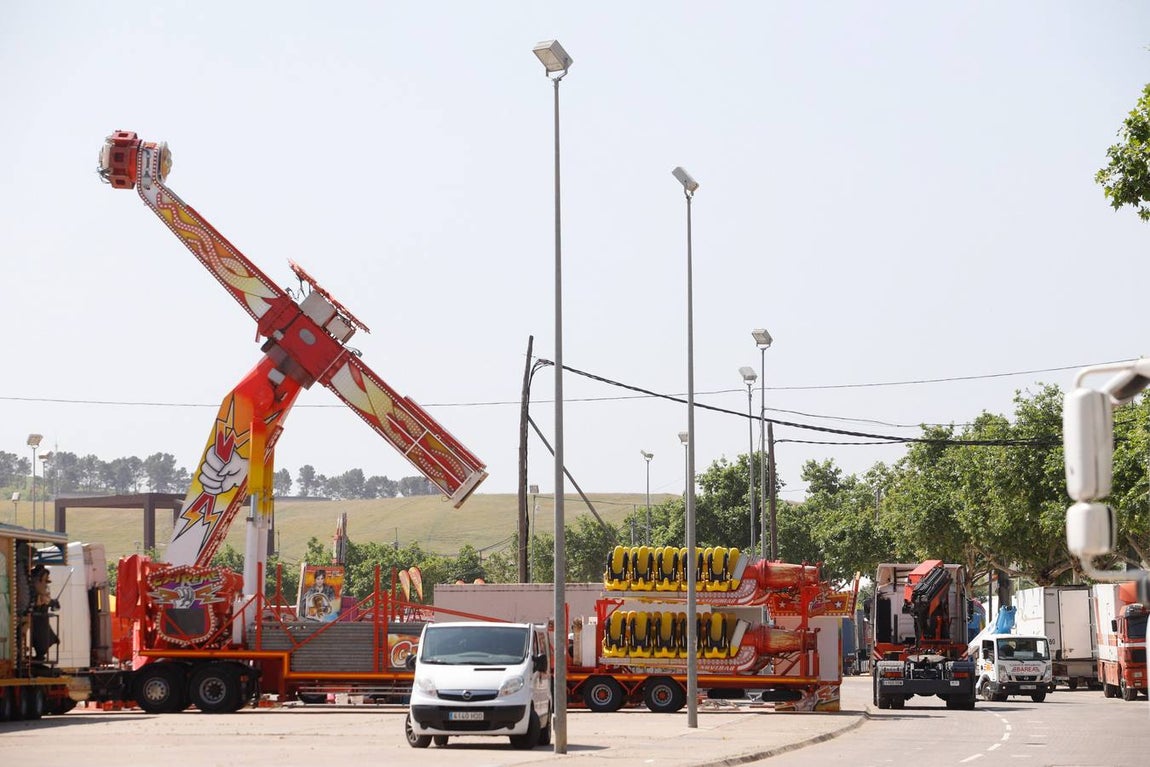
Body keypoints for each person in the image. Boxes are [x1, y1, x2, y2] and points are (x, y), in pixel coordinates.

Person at [29, 566, 60, 661]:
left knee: (46, 638)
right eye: (42, 581)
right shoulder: (34, 595)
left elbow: (55, 607)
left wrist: (53, 603)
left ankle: (40, 654)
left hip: (42, 622)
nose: (45, 585)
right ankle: (39, 654)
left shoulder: (44, 594)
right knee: (41, 639)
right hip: (38, 623)